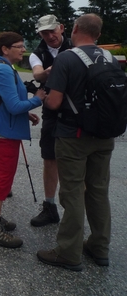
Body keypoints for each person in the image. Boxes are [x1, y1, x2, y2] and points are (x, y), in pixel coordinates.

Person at [37, 14, 116, 271]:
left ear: (74, 29)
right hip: (105, 136)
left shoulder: (67, 58)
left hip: (73, 136)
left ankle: (69, 252)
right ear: (99, 34)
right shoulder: (110, 58)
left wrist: (45, 99)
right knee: (98, 190)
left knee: (72, 193)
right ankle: (99, 247)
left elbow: (56, 102)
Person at [0, 32, 46, 248]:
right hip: (3, 133)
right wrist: (37, 100)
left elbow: (7, 101)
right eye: (18, 46)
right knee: (2, 177)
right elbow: (14, 106)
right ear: (5, 49)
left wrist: (25, 113)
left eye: (23, 45)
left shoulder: (1, 66)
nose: (23, 49)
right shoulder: (2, 69)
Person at [28, 14, 72, 227]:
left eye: (52, 30)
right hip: (52, 112)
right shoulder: (38, 53)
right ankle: (50, 205)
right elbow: (37, 75)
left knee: (76, 160)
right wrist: (49, 72)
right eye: (44, 33)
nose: (49, 35)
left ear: (61, 28)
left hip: (77, 111)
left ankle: (74, 211)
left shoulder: (76, 46)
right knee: (49, 157)